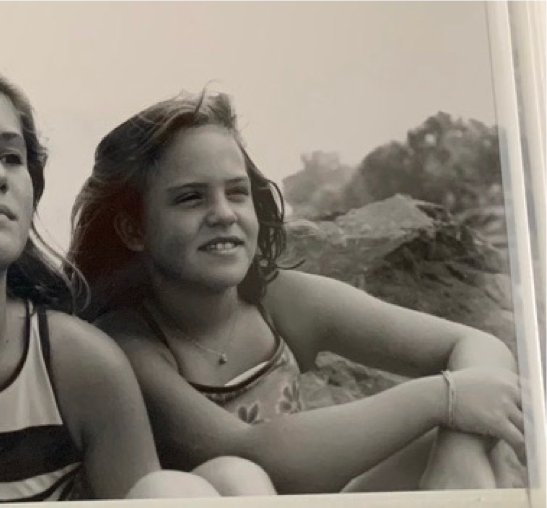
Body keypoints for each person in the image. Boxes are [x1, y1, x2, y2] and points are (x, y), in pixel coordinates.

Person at [67, 88, 525, 495]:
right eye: (191, 198)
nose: (223, 213)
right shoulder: (127, 343)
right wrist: (443, 398)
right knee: (232, 472)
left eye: (237, 192)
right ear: (132, 228)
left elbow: (477, 344)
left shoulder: (277, 300)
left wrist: (458, 455)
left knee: (473, 441)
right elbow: (255, 454)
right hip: (234, 492)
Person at [0, 76, 277, 502]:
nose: (1, 176)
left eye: (10, 157)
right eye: (191, 198)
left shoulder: (75, 364)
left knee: (215, 482)